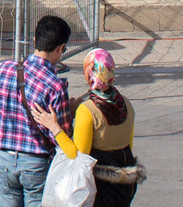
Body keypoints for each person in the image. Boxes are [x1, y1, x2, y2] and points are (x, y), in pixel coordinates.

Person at [0, 14, 72, 207]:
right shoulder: (55, 86)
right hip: (37, 165)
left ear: (35, 40)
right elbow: (64, 137)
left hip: (6, 160)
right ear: (61, 48)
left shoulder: (3, 70)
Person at [51, 48, 138, 206]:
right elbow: (128, 145)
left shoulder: (87, 110)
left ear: (88, 74)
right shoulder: (126, 103)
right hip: (126, 183)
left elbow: (77, 155)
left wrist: (55, 128)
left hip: (101, 186)